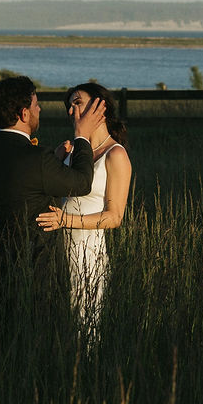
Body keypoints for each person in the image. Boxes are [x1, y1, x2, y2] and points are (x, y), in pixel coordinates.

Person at [0, 74, 104, 318]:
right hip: (35, 277)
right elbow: (82, 183)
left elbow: (18, 185)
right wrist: (82, 136)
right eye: (35, 104)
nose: (39, 109)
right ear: (23, 114)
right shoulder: (37, 158)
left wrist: (52, 159)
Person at [36, 81, 133, 337]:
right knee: (56, 323)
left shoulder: (116, 155)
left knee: (85, 327)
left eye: (77, 103)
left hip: (88, 252)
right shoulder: (73, 152)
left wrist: (65, 220)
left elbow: (114, 218)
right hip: (58, 247)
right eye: (69, 106)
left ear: (100, 107)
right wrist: (57, 159)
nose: (71, 111)